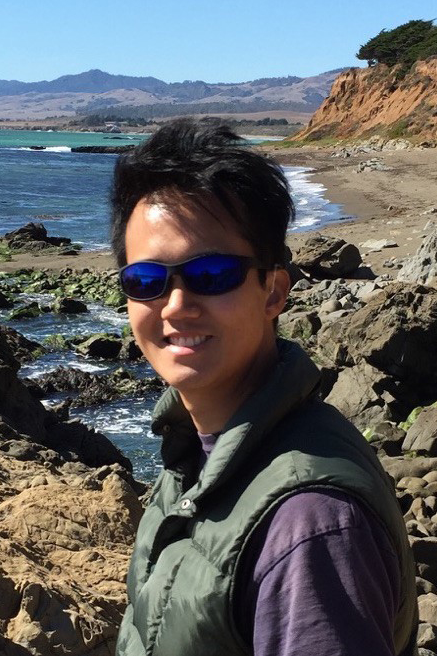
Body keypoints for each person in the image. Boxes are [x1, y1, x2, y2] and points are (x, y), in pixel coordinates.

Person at [110, 118, 418, 656]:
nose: (177, 305)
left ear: (274, 292)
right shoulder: (195, 449)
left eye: (212, 275)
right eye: (146, 281)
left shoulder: (308, 523)